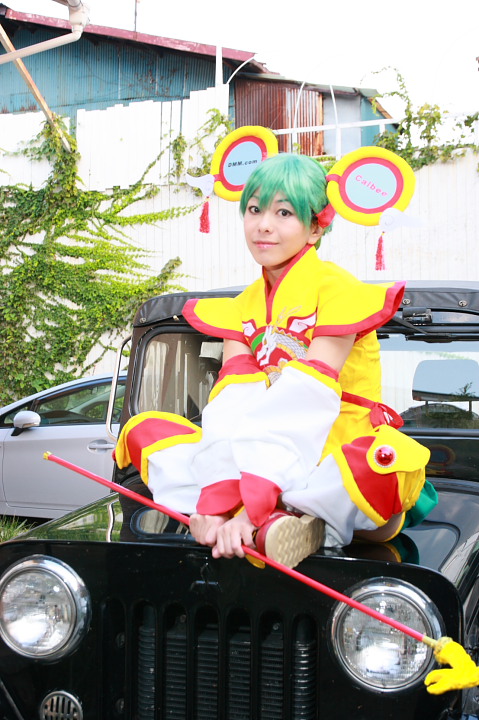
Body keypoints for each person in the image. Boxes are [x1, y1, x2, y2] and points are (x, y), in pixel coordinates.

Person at [115, 152, 437, 568]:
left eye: (284, 213)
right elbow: (233, 401)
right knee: (148, 431)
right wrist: (217, 500)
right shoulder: (241, 306)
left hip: (331, 441)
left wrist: (249, 510)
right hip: (261, 443)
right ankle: (292, 518)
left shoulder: (340, 291)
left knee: (381, 461)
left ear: (316, 226)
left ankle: (300, 516)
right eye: (254, 210)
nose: (263, 225)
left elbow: (307, 398)